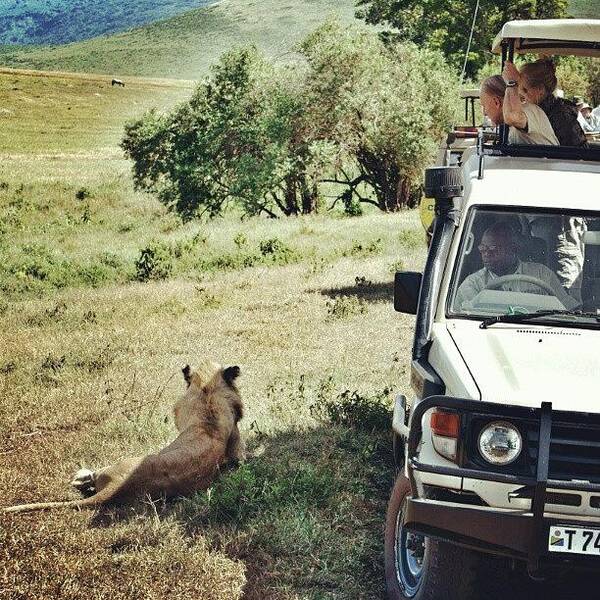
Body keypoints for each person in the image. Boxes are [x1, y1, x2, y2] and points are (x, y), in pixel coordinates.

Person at [454, 221, 578, 311]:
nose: (486, 254)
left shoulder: (542, 274)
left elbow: (567, 309)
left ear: (513, 249)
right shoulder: (473, 284)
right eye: (483, 249)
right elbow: (461, 321)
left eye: (493, 249)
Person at [503, 60, 587, 147]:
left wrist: (512, 82)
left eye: (525, 90)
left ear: (540, 90)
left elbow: (512, 117)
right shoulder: (553, 108)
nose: (521, 95)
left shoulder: (559, 115)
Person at [480, 75, 559, 145]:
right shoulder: (509, 126)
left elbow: (513, 117)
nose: (484, 113)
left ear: (496, 102)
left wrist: (511, 82)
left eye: (484, 106)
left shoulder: (527, 110)